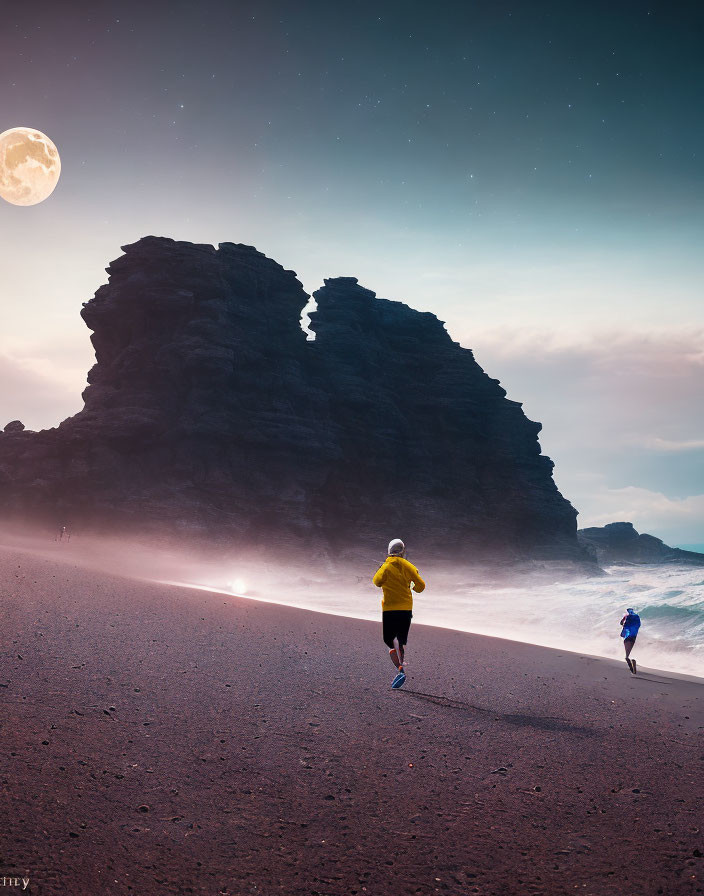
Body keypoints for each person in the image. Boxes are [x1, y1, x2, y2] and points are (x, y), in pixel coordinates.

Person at [373, 538, 425, 689]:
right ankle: (401, 664)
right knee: (400, 640)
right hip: (406, 608)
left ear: (389, 551)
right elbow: (421, 586)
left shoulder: (385, 567)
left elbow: (376, 582)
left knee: (389, 641)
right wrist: (411, 589)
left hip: (390, 609)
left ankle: (400, 669)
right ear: (402, 551)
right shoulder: (409, 566)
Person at [620, 607, 641, 674]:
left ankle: (631, 667)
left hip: (627, 636)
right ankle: (631, 665)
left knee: (627, 654)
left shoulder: (626, 616)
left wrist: (623, 624)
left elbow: (621, 623)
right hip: (633, 636)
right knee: (629, 650)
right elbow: (639, 625)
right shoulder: (636, 616)